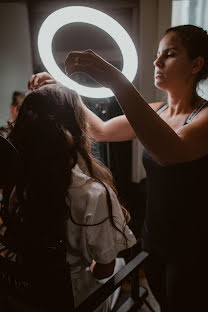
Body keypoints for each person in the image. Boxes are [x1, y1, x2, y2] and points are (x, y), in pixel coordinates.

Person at [29, 24, 208, 312]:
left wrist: (115, 80)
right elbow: (100, 130)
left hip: (194, 245)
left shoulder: (206, 117)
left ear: (196, 64)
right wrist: (64, 90)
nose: (157, 62)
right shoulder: (158, 110)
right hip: (155, 236)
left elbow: (169, 151)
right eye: (157, 54)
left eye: (170, 54)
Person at [0, 84, 136, 311]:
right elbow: (104, 269)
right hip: (72, 301)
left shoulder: (16, 182)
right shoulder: (93, 194)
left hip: (22, 294)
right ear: (76, 129)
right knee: (120, 262)